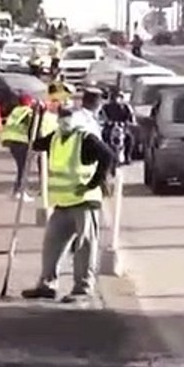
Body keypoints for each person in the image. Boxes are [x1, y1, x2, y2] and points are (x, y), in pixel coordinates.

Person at [22, 104, 116, 304]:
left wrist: (93, 183)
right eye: (61, 117)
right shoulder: (56, 138)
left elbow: (108, 156)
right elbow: (35, 144)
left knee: (84, 246)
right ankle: (47, 285)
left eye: (67, 117)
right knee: (52, 244)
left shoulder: (85, 138)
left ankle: (83, 288)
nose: (63, 121)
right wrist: (36, 117)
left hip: (84, 201)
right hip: (63, 203)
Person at [99, 88, 134, 163]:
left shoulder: (126, 107)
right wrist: (106, 121)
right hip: (109, 127)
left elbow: (131, 117)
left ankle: (127, 156)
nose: (116, 99)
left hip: (122, 127)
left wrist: (127, 122)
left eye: (118, 97)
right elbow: (101, 116)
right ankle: (104, 155)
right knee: (103, 136)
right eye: (114, 97)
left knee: (129, 138)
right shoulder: (106, 107)